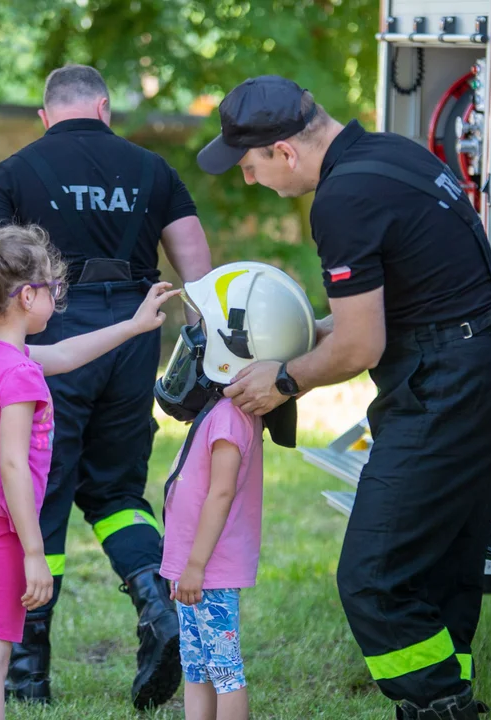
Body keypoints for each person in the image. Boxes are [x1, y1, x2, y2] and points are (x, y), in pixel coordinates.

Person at [195, 76, 491, 720]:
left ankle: (440, 708)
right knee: (438, 572)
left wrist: (283, 381)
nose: (249, 180)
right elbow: (382, 308)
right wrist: (289, 344)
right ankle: (448, 693)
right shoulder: (394, 155)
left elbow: (359, 347)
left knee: (372, 578)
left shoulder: (343, 199)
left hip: (444, 393)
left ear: (286, 152)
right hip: (485, 374)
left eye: (251, 165)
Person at [0, 62, 213, 709]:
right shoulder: (152, 170)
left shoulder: (15, 171)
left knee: (42, 487)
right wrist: (203, 341)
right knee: (116, 490)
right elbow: (197, 268)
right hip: (136, 333)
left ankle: (27, 674)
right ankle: (159, 605)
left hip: (54, 334)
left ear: (46, 114)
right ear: (105, 108)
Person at [0, 223, 179, 720]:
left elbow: (67, 354)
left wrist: (134, 325)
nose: (58, 298)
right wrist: (35, 551)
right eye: (55, 289)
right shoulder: (19, 374)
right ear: (27, 297)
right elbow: (12, 464)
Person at [153, 261, 316, 720]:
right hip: (191, 567)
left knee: (223, 669)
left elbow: (220, 495)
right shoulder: (225, 409)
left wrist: (196, 567)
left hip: (208, 572)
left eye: (205, 328)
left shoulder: (229, 419)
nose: (196, 338)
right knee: (197, 666)